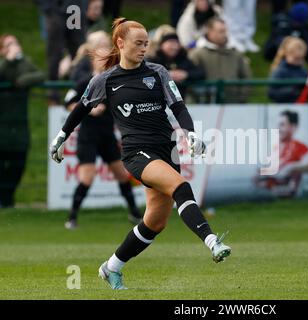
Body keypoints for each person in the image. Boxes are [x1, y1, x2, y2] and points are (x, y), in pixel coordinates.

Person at [49, 18, 231, 290]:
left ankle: (110, 267)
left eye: (146, 43)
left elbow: (178, 106)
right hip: (137, 153)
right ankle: (212, 241)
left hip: (166, 149)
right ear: (121, 43)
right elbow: (81, 108)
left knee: (155, 222)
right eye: (138, 43)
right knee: (181, 187)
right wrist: (62, 136)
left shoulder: (158, 72)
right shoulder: (106, 80)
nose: (144, 48)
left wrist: (190, 133)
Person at [64, 31, 143, 229]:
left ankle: (135, 214)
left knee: (122, 175)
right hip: (89, 136)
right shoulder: (86, 82)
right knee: (87, 177)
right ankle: (72, 218)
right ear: (93, 60)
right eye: (102, 57)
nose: (106, 60)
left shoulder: (114, 81)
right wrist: (89, 110)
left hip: (107, 135)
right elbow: (69, 101)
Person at [0, 34, 45, 208]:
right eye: (9, 44)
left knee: (18, 165)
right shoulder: (4, 64)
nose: (14, 47)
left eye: (16, 43)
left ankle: (7, 200)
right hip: (2, 127)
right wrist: (9, 60)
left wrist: (22, 80)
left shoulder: (23, 64)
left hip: (18, 128)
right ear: (2, 50)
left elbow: (40, 75)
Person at [256, 110, 308, 198]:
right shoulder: (273, 146)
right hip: (267, 194)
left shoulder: (298, 146)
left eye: (282, 125)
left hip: (288, 193)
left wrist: (291, 167)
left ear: (293, 127)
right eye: (277, 125)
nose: (278, 128)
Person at [35, 0, 87, 104]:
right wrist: (48, 8)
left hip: (74, 9)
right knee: (54, 54)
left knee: (78, 52)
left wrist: (82, 6)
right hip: (55, 9)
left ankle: (82, 90)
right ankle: (53, 94)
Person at [189, 18, 252, 103]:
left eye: (225, 31)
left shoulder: (236, 53)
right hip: (205, 106)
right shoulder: (197, 54)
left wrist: (240, 99)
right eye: (221, 31)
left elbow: (246, 78)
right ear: (209, 32)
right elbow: (190, 79)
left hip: (233, 105)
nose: (225, 34)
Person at [147, 32, 205, 98]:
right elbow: (146, 74)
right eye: (171, 43)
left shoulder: (183, 59)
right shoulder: (154, 59)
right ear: (162, 44)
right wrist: (166, 74)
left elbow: (200, 72)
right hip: (158, 99)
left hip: (182, 99)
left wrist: (186, 74)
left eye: (176, 43)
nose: (174, 47)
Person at [268, 36, 308, 102]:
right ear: (286, 54)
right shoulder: (279, 71)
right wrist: (293, 90)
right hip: (282, 107)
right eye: (295, 58)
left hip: (302, 107)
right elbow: (272, 93)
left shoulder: (304, 72)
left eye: (301, 58)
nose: (298, 61)